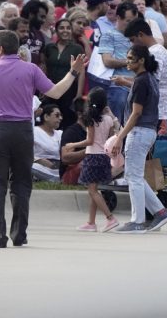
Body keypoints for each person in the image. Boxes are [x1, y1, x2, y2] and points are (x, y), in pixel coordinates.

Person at [0, 30, 86, 248]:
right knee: (22, 183)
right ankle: (19, 233)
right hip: (24, 130)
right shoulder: (31, 68)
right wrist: (73, 73)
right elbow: (55, 92)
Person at [111, 45, 167, 234]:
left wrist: (119, 137)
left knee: (134, 178)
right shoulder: (149, 78)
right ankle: (160, 211)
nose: (127, 61)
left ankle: (137, 220)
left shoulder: (142, 81)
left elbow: (136, 113)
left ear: (141, 61)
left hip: (139, 131)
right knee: (134, 176)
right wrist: (125, 82)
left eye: (131, 58)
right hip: (147, 131)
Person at [65, 88, 119, 233]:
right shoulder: (108, 119)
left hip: (92, 156)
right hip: (104, 157)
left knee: (92, 191)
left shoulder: (90, 119)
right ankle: (91, 222)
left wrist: (73, 145)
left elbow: (90, 141)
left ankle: (110, 218)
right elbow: (112, 135)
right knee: (94, 190)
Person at [40, 19, 84, 129]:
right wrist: (41, 88)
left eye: (68, 28)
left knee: (66, 121)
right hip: (50, 89)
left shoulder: (77, 48)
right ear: (56, 30)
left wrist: (79, 94)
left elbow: (81, 72)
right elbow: (43, 67)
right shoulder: (49, 47)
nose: (65, 31)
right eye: (62, 28)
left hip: (69, 91)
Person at [31, 104, 64, 183]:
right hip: (40, 166)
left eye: (61, 115)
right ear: (46, 117)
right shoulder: (34, 131)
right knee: (30, 166)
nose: (60, 118)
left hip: (58, 168)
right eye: (57, 115)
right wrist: (38, 160)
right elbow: (25, 151)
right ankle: (53, 179)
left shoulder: (60, 133)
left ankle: (54, 178)